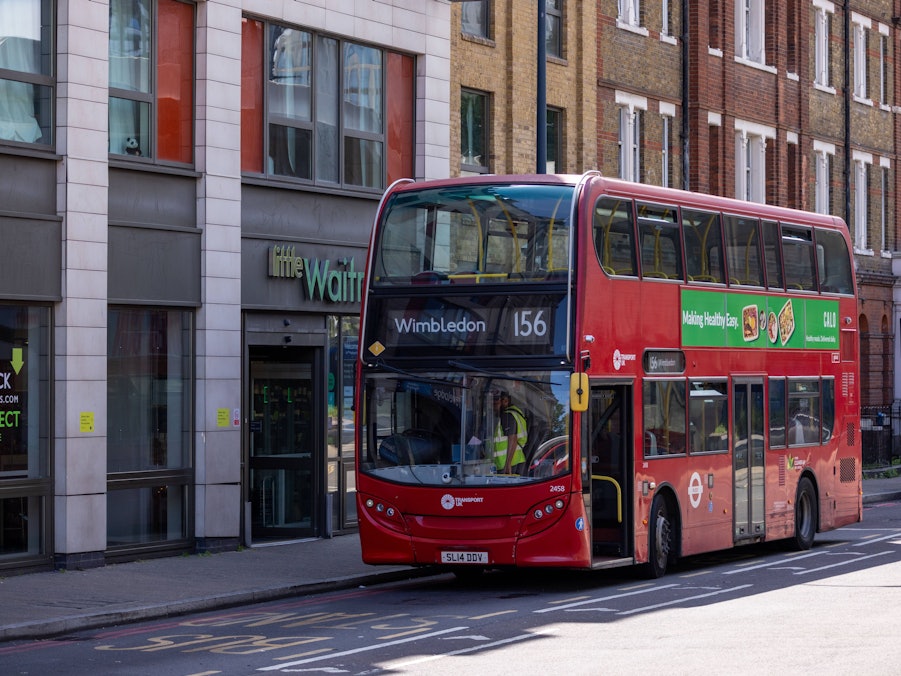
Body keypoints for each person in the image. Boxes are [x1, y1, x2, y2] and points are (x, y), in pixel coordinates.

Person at [491, 390, 528, 474]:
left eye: (495, 404)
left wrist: (508, 464)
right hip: (517, 461)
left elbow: (513, 439)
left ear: (505, 401)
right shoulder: (517, 413)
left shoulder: (507, 415)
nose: (493, 408)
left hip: (510, 465)